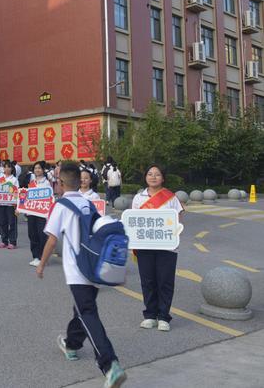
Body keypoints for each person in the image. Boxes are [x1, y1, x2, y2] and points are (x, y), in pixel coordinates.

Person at [36, 162, 127, 388]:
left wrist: (42, 264)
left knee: (87, 313)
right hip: (95, 267)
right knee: (82, 309)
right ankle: (71, 344)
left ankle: (109, 365)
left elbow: (52, 239)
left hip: (77, 271)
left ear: (61, 183)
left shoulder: (61, 205)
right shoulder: (88, 204)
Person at [132, 164, 184, 332]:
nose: (153, 177)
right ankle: (149, 315)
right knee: (148, 281)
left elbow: (178, 220)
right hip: (145, 247)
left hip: (166, 248)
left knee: (165, 282)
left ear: (163, 178)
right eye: (150, 174)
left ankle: (163, 317)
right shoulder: (139, 198)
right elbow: (133, 222)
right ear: (145, 177)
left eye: (157, 174)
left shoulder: (171, 198)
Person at [27, 161, 51, 267]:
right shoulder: (32, 182)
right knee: (32, 233)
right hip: (32, 212)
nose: (37, 170)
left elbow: (49, 198)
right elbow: (27, 197)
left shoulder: (46, 183)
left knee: (41, 235)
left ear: (43, 170)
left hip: (42, 212)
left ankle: (42, 257)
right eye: (35, 168)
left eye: (39, 168)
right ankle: (35, 256)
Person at [0, 161, 19, 249]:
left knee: (12, 223)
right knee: (2, 222)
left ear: (12, 169)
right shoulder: (0, 179)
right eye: (5, 167)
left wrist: (16, 204)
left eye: (9, 167)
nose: (7, 169)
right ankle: (4, 241)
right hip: (1, 203)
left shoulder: (14, 180)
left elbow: (17, 192)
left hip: (11, 204)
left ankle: (12, 242)